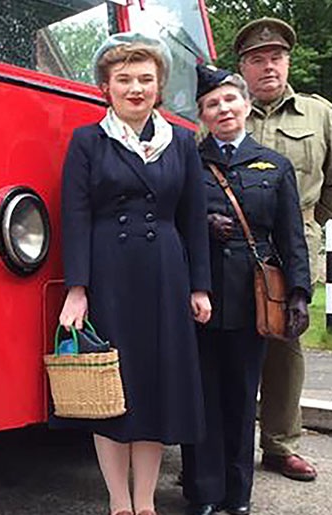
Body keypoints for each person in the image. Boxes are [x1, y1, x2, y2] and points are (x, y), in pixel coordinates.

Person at [54, 32, 213, 515]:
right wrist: (76, 289)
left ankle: (145, 504)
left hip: (165, 272)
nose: (136, 88)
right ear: (106, 86)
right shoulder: (87, 141)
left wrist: (200, 287)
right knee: (113, 393)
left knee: (155, 392)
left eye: (146, 79)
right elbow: (75, 216)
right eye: (124, 79)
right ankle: (118, 503)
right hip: (110, 274)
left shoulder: (182, 142)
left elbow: (193, 221)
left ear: (159, 85)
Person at [235, 17, 332, 481]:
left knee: (285, 344)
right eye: (256, 59)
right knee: (228, 343)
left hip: (293, 249)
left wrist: (311, 220)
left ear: (287, 62)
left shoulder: (319, 114)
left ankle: (279, 445)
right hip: (232, 248)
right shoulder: (225, 112)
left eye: (275, 57)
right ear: (243, 68)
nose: (267, 66)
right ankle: (223, 447)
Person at [180, 65, 311, 515]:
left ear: (246, 105)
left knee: (240, 397)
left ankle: (237, 497)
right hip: (198, 292)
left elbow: (291, 234)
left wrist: (298, 294)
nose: (223, 109)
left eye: (230, 100)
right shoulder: (188, 162)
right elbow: (168, 222)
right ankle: (202, 492)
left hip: (250, 296)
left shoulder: (274, 165)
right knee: (201, 396)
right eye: (212, 104)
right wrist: (199, 225)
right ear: (202, 114)